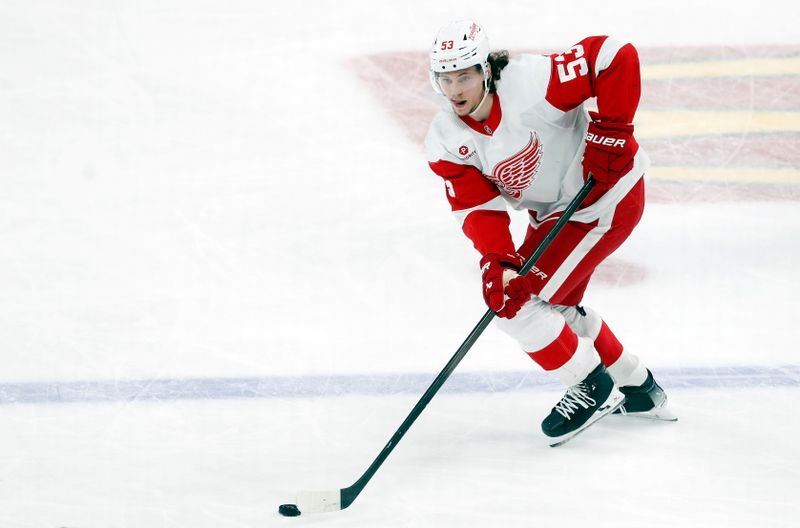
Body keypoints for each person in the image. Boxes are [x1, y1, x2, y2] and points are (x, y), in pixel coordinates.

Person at [425, 20, 674, 446]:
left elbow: (613, 54)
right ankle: (637, 388)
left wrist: (612, 133)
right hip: (555, 213)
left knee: (520, 306)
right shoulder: (447, 139)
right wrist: (498, 259)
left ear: (486, 69)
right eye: (444, 79)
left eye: (464, 75)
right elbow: (478, 209)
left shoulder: (534, 82)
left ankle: (591, 385)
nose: (455, 90)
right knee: (538, 299)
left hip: (606, 196)